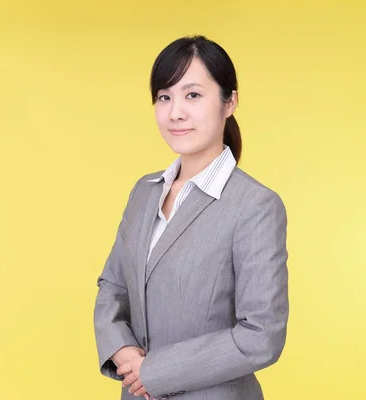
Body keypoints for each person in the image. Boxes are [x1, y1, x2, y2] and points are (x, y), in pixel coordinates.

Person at [93, 35, 289, 400]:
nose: (175, 112)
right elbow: (113, 287)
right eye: (164, 97)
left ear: (229, 102)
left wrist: (154, 371)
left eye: (193, 95)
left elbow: (262, 335)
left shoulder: (255, 205)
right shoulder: (144, 191)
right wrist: (122, 352)